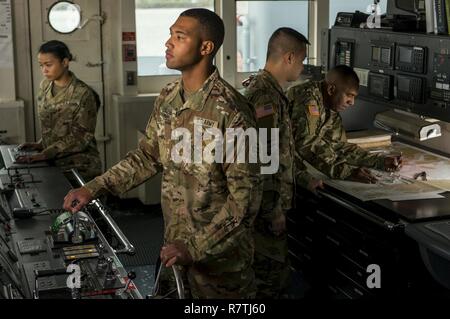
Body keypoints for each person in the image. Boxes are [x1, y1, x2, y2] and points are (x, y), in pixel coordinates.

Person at [63, 9, 262, 299]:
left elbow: (246, 201)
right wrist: (95, 187)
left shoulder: (232, 112)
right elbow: (148, 156)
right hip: (173, 250)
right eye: (170, 34)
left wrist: (194, 248)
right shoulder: (169, 96)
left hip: (219, 266)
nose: (168, 43)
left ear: (206, 47)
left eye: (179, 37)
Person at [243, 28, 322, 298]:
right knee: (271, 280)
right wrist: (273, 210)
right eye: (301, 60)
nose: (302, 67)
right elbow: (264, 159)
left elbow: (281, 151)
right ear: (289, 57)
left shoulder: (266, 89)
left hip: (261, 203)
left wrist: (303, 178)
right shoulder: (266, 97)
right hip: (264, 208)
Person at [287, 65, 402, 184]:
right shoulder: (308, 98)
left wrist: (380, 161)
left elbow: (340, 147)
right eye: (349, 95)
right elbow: (307, 143)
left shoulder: (331, 109)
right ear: (331, 90)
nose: (351, 102)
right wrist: (347, 172)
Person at [16, 40, 102, 182]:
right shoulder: (45, 86)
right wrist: (40, 144)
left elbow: (81, 137)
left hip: (79, 167)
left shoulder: (83, 94)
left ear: (65, 62)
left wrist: (45, 154)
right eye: (41, 65)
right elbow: (56, 125)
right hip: (53, 164)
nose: (44, 70)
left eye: (49, 65)